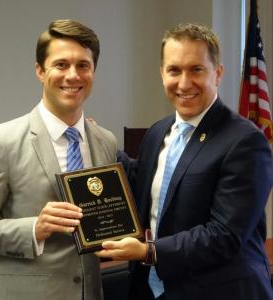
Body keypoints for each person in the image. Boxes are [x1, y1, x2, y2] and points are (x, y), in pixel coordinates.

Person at [97, 23, 273, 300]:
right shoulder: (158, 132)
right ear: (161, 74)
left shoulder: (245, 141)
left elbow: (224, 235)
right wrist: (95, 138)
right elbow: (142, 185)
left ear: (218, 73)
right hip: (151, 290)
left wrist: (149, 251)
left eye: (196, 70)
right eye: (174, 70)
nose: (184, 83)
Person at [0, 19, 117, 300]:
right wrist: (34, 228)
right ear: (40, 71)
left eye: (83, 65)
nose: (72, 75)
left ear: (93, 72)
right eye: (61, 65)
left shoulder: (106, 141)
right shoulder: (2, 141)